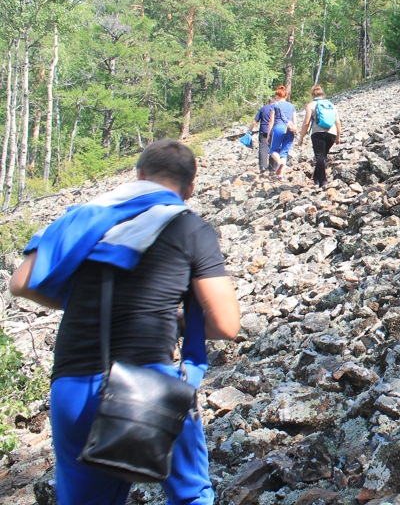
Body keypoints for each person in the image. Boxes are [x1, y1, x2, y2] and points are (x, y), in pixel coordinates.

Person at [9, 139, 240, 505]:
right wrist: (180, 320)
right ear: (190, 188)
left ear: (140, 175)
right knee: (190, 496)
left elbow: (20, 282)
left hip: (71, 384)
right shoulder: (189, 227)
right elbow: (227, 325)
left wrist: (79, 304)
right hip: (148, 384)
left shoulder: (85, 216)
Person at [299, 85, 341, 187]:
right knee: (323, 156)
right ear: (322, 94)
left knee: (319, 157)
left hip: (318, 133)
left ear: (312, 95)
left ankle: (323, 181)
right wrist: (338, 137)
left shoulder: (311, 105)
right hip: (332, 133)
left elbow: (306, 123)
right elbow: (338, 123)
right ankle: (316, 179)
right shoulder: (331, 105)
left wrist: (301, 137)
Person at [268, 85, 297, 179]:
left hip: (279, 128)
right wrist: (294, 129)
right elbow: (294, 121)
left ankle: (279, 162)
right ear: (285, 95)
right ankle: (281, 175)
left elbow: (271, 121)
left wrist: (268, 134)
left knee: (273, 150)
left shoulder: (274, 105)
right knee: (284, 153)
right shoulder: (292, 106)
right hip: (290, 129)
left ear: (277, 96)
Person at [249, 96, 275, 173]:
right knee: (273, 148)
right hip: (273, 131)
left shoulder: (263, 109)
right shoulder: (276, 108)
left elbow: (255, 121)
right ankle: (272, 168)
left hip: (263, 131)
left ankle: (263, 166)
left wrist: (250, 130)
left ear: (268, 102)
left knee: (263, 148)